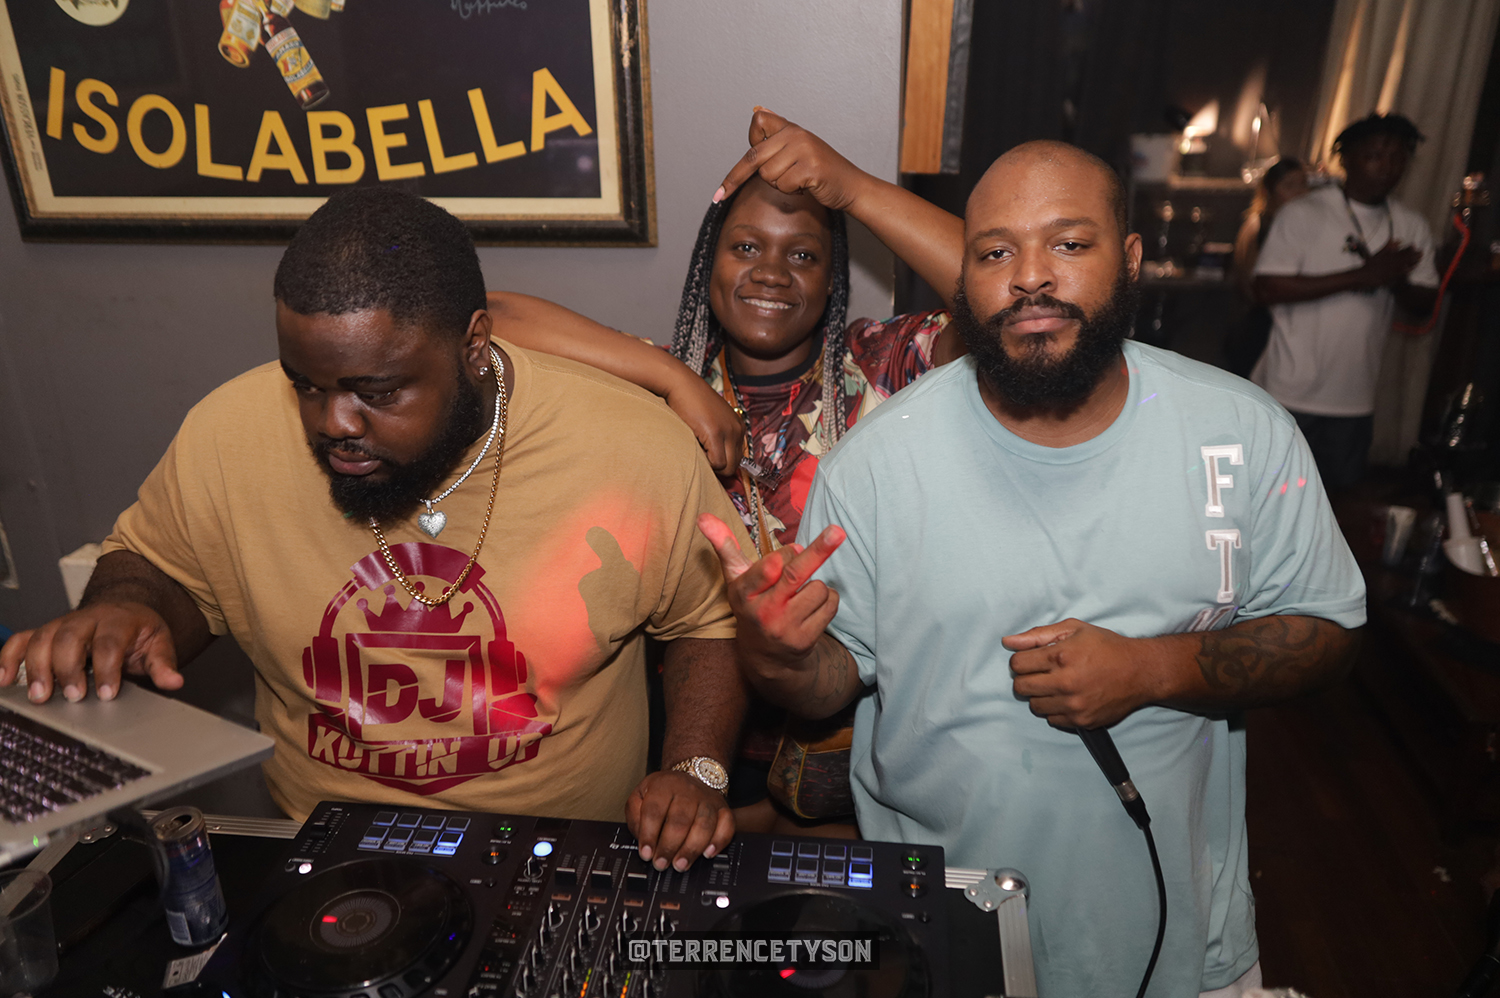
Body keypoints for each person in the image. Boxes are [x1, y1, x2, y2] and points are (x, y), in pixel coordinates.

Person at [700, 140, 1366, 997]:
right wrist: (773, 652)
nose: (1030, 278)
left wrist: (1153, 668)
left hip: (1176, 934)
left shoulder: (1240, 431)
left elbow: (1329, 632)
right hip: (937, 933)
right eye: (994, 253)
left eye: (1070, 244)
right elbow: (831, 682)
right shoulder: (877, 462)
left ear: (1130, 259)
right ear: (965, 278)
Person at [0, 188, 752, 872]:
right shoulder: (227, 434)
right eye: (306, 385)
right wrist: (125, 607)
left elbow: (710, 621)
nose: (334, 423)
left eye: (379, 392)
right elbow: (162, 568)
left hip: (555, 856)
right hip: (321, 850)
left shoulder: (630, 446)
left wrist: (695, 770)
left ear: (474, 345)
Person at [489, 109, 966, 828]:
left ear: (833, 279)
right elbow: (488, 318)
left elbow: (1006, 299)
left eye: (803, 255)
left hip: (865, 753)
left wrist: (854, 188)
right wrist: (672, 378)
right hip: (701, 752)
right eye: (745, 246)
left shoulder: (882, 366)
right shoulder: (659, 384)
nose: (771, 271)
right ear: (708, 264)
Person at [1251, 113, 1438, 491]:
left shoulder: (1411, 224)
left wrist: (1394, 279)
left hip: (1354, 399)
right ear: (1347, 158)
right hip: (1289, 392)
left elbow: (1424, 305)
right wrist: (1364, 275)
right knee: (1269, 497)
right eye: (1374, 155)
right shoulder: (1304, 212)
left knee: (1339, 506)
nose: (1386, 167)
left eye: (1397, 158)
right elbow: (1267, 288)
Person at [1224, 158, 1309, 376]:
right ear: (1270, 191)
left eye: (1303, 184)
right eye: (1289, 186)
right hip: (1259, 328)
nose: (1300, 192)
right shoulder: (1257, 226)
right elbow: (1248, 283)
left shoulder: (1300, 227)